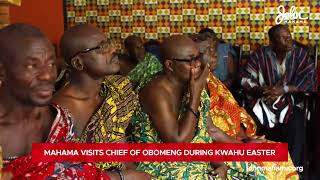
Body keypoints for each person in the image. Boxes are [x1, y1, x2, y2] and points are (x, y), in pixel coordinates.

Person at [0, 23, 112, 179]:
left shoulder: (59, 121)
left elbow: (79, 171)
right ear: (2, 72)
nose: (47, 75)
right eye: (32, 66)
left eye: (51, 63)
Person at [53, 24, 150, 179]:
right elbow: (62, 173)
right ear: (78, 63)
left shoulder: (116, 89)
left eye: (109, 43)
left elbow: (119, 142)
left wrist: (136, 173)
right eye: (101, 48)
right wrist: (122, 176)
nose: (112, 50)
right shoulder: (61, 110)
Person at [130, 35, 228, 179]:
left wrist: (222, 164)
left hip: (193, 158)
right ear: (170, 65)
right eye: (190, 60)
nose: (197, 64)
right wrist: (195, 96)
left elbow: (204, 134)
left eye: (198, 57)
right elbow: (178, 143)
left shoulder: (190, 83)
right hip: (160, 163)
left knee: (259, 165)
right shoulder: (156, 91)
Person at [199, 38, 299, 179]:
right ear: (193, 58)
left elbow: (233, 113)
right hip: (211, 148)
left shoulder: (213, 82)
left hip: (229, 140)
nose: (215, 54)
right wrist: (243, 145)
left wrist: (245, 138)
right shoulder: (194, 87)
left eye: (214, 50)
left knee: (278, 151)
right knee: (269, 162)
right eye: (207, 51)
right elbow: (211, 131)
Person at [241, 24, 316, 170]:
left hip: (291, 102)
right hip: (263, 102)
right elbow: (245, 79)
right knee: (247, 123)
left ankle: (292, 170)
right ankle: (252, 168)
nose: (289, 40)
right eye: (283, 37)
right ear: (272, 42)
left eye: (289, 36)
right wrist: (264, 91)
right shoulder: (260, 55)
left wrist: (283, 90)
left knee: (296, 124)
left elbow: (309, 80)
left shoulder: (299, 55)